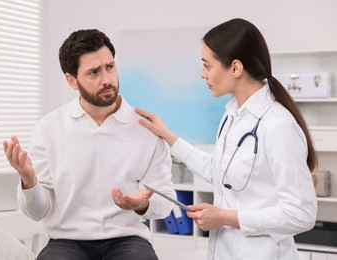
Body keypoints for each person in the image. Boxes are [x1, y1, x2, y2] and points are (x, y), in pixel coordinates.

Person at [136, 18, 317, 259]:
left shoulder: (278, 126)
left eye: (207, 65)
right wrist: (167, 136)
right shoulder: (232, 114)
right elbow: (219, 172)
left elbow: (301, 214)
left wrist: (225, 218)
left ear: (235, 68)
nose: (202, 74)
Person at [3, 29, 176, 260]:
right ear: (71, 80)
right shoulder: (48, 129)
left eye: (110, 67)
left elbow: (165, 201)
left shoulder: (146, 129)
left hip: (127, 239)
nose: (107, 79)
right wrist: (28, 180)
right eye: (94, 72)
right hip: (67, 241)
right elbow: (38, 212)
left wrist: (141, 205)